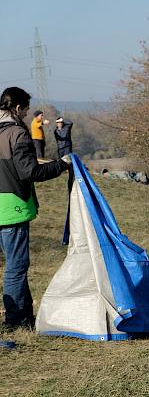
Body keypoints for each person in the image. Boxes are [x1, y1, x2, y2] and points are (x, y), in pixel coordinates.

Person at [0, 87, 70, 329]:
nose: (28, 114)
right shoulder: (17, 134)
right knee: (16, 268)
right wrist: (61, 165)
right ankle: (16, 321)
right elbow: (30, 171)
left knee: (14, 266)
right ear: (17, 108)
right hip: (13, 209)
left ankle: (25, 317)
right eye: (27, 109)